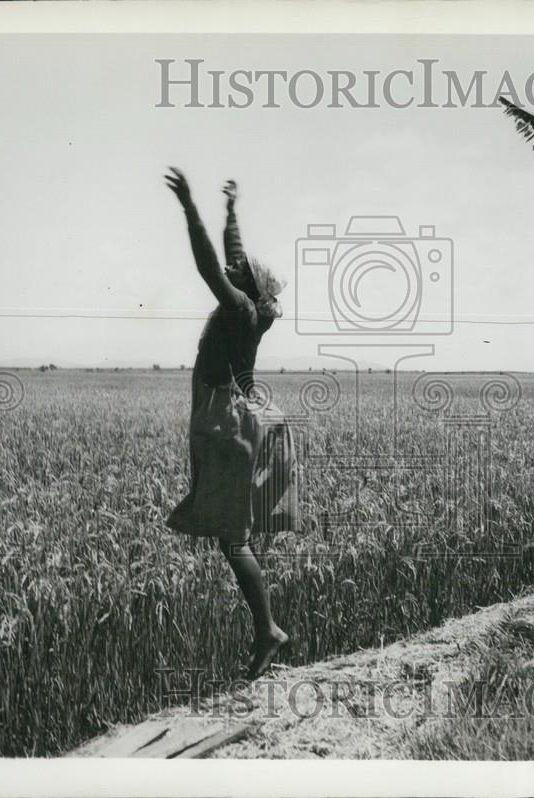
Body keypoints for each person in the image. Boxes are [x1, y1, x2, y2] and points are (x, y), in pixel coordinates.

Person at [164, 167, 298, 679]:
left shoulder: (239, 306)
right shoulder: (253, 304)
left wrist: (189, 207)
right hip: (231, 417)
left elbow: (208, 266)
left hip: (225, 423)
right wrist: (231, 211)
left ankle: (268, 630)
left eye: (238, 268)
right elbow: (231, 254)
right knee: (232, 535)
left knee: (233, 540)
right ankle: (267, 629)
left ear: (245, 285)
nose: (234, 265)